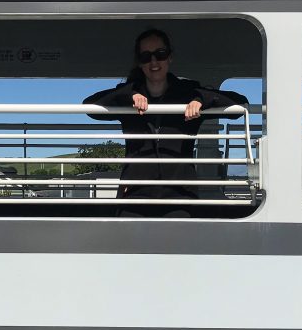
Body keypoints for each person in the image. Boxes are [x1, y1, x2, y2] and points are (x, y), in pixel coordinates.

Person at [83, 28, 247, 217]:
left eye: (160, 54)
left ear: (170, 57)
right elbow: (89, 107)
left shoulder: (188, 92)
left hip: (180, 195)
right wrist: (129, 95)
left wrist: (201, 99)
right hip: (135, 195)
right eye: (146, 56)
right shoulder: (127, 95)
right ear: (140, 63)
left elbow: (240, 104)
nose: (154, 61)